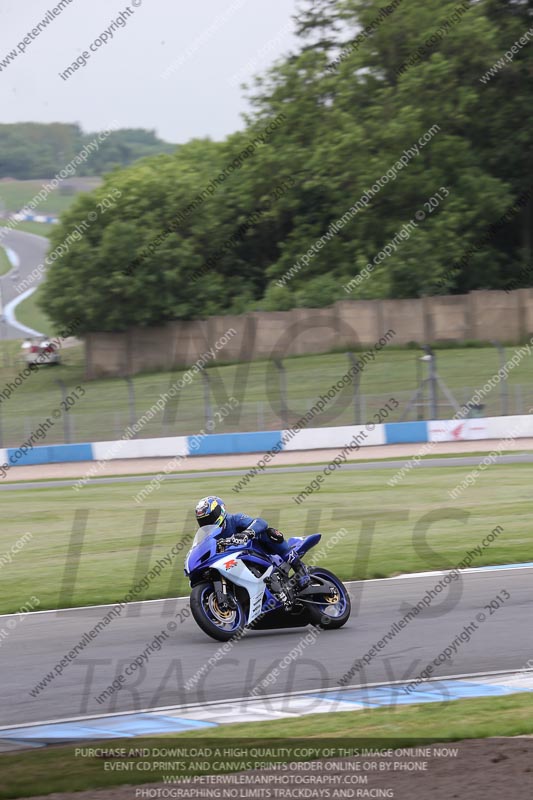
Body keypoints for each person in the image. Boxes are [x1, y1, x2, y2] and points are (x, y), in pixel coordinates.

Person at [194, 496, 310, 587]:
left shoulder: (234, 519)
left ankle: (300, 569)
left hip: (257, 553)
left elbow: (261, 522)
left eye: (209, 518)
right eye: (203, 521)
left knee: (271, 533)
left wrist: (246, 533)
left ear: (220, 511)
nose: (207, 523)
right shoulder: (207, 537)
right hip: (232, 564)